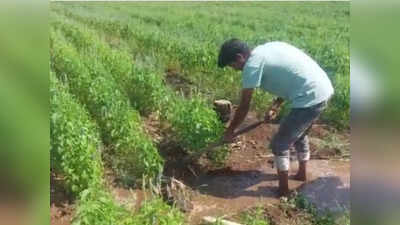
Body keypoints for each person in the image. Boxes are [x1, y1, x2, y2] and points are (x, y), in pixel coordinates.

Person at [217, 39, 334, 196]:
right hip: (322, 88)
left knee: (279, 144)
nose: (234, 70)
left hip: (309, 97)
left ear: (240, 57)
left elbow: (245, 105)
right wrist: (275, 106)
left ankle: (283, 190)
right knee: (300, 134)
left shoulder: (251, 66)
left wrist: (230, 130)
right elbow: (291, 76)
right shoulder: (266, 49)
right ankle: (301, 174)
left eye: (232, 65)